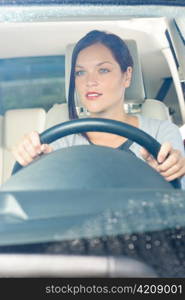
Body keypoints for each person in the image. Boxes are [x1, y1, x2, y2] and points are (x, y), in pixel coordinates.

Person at [12, 30, 185, 187]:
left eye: (103, 70)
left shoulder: (162, 133)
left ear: (127, 76)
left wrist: (171, 172)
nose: (89, 81)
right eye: (80, 73)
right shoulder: (59, 142)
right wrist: (35, 167)